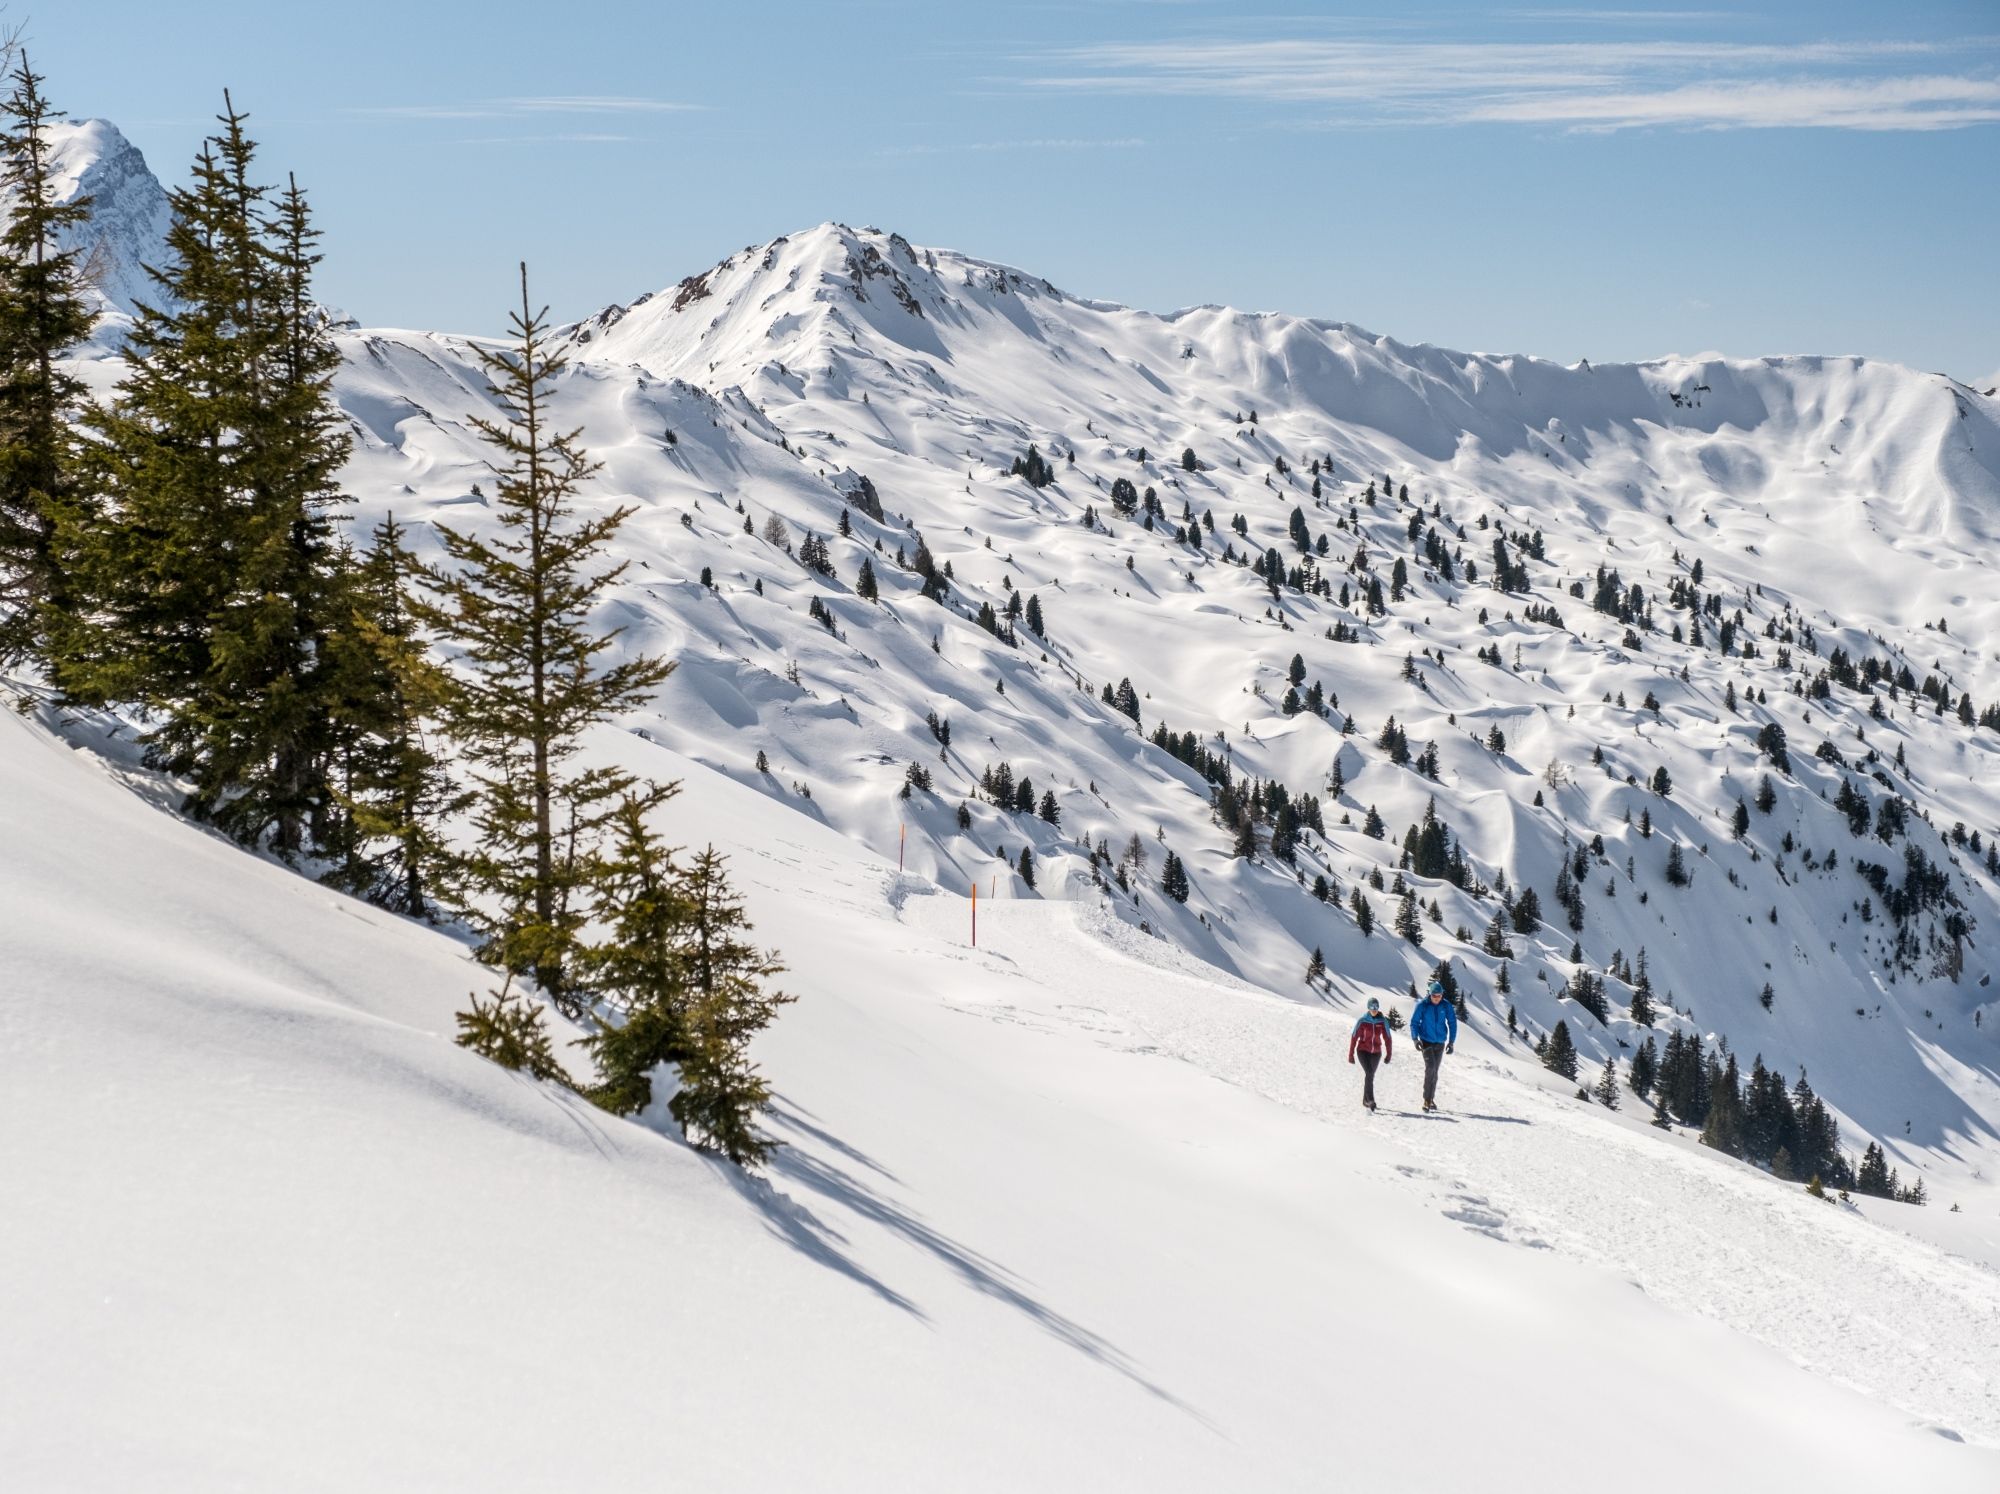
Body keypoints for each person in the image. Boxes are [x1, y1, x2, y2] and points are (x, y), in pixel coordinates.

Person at [1408, 977, 1458, 1113]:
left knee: (1435, 1071)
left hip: (1440, 1042)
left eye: (1439, 995)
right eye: (1434, 996)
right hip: (1426, 1041)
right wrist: (1415, 1039)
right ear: (1430, 994)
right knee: (1430, 1068)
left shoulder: (1446, 1005)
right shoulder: (1422, 1005)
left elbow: (1452, 1023)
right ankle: (1426, 1099)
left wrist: (1451, 1042)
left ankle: (1431, 1099)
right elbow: (1414, 1023)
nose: (1437, 998)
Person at [1347, 996, 1392, 1110]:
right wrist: (1351, 1054)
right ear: (1368, 1007)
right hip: (1362, 1051)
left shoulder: (1382, 1021)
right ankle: (1370, 1100)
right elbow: (1354, 1037)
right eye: (1372, 1007)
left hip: (1376, 1053)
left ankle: (1365, 1100)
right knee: (1370, 1073)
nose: (1374, 1009)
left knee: (1370, 1075)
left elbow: (1388, 1038)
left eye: (1376, 1007)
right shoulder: (1362, 1021)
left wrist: (1389, 1054)